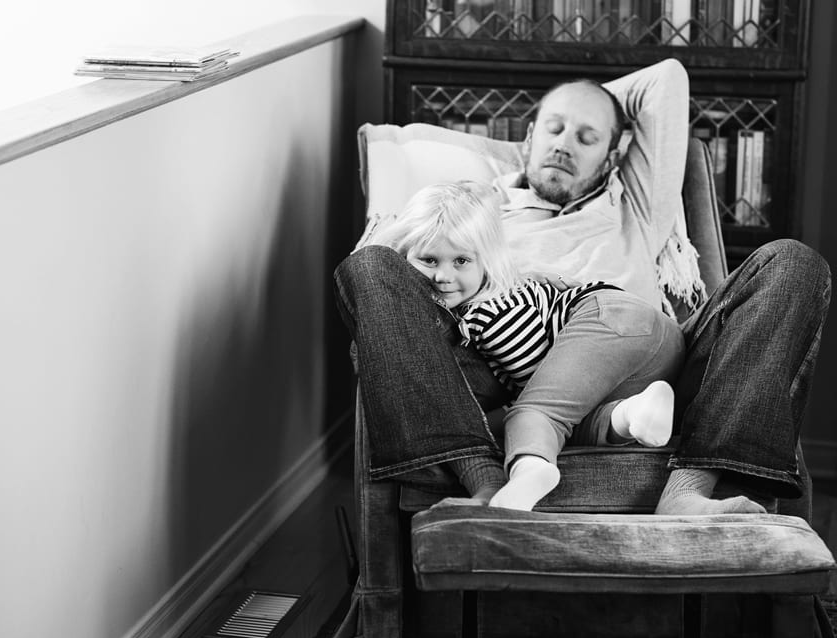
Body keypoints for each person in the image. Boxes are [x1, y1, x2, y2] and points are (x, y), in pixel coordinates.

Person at [334, 57, 831, 515]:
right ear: (529, 138)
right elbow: (405, 278)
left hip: (644, 360)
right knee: (368, 267)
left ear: (613, 156)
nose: (564, 144)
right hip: (498, 365)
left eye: (586, 137)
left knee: (791, 263)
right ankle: (483, 476)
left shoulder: (634, 204)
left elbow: (666, 79)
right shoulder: (478, 210)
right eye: (553, 128)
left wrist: (587, 99)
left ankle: (690, 491)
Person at [365, 179, 683, 510]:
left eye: (460, 261)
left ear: (485, 262)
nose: (443, 276)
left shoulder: (489, 314)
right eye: (429, 260)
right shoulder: (502, 294)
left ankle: (529, 474)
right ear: (404, 256)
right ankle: (636, 413)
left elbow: (536, 386)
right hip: (653, 356)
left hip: (611, 319)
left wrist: (494, 423)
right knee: (579, 414)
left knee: (532, 415)